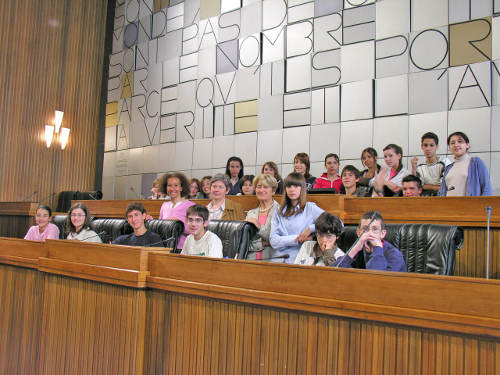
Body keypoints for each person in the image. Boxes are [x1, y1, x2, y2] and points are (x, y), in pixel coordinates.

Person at [270, 173, 325, 263]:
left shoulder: (310, 208)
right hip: (278, 258)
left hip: (300, 259)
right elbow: (274, 241)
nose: (292, 190)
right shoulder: (278, 211)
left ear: (302, 188)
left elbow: (337, 223)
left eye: (296, 186)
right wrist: (297, 239)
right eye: (289, 186)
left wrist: (311, 228)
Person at [332, 211, 406, 272]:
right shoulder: (358, 249)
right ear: (359, 233)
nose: (370, 233)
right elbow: (334, 272)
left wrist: (378, 248)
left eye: (375, 229)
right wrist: (354, 250)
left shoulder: (394, 255)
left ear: (383, 234)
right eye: (365, 229)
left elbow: (375, 279)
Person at [438, 132, 492, 196]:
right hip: (449, 205)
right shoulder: (448, 168)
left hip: (470, 205)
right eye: (452, 143)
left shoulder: (475, 163)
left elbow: (486, 188)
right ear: (450, 148)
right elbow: (442, 192)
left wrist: (482, 205)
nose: (456, 145)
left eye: (460, 141)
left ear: (467, 145)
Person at [244, 174, 280, 260]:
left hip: (272, 259)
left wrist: (259, 226)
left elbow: (277, 239)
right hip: (250, 260)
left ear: (273, 191)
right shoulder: (250, 213)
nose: (261, 190)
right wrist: (263, 243)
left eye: (266, 187)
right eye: (259, 186)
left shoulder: (280, 211)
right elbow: (245, 242)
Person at [158, 172, 196, 249]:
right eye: (169, 185)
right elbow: (160, 228)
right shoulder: (164, 205)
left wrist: (178, 224)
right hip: (166, 247)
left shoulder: (191, 206)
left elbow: (195, 229)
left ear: (181, 187)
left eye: (176, 185)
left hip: (184, 248)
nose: (172, 189)